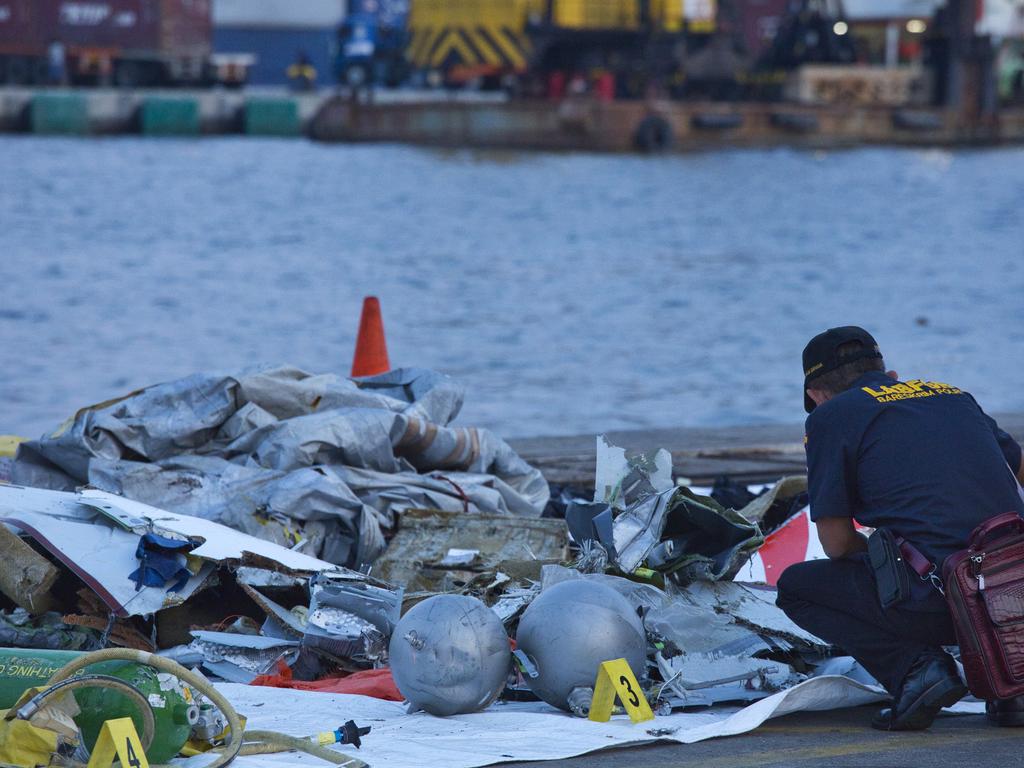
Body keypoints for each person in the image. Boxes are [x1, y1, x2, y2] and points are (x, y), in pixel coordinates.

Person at [776, 326, 1024, 731]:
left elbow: (837, 545)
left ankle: (918, 671)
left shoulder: (830, 418)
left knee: (799, 588)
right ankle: (1013, 688)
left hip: (946, 602)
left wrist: (882, 557)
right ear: (890, 375)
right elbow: (1018, 468)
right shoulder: (954, 396)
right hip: (1014, 596)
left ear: (816, 396)